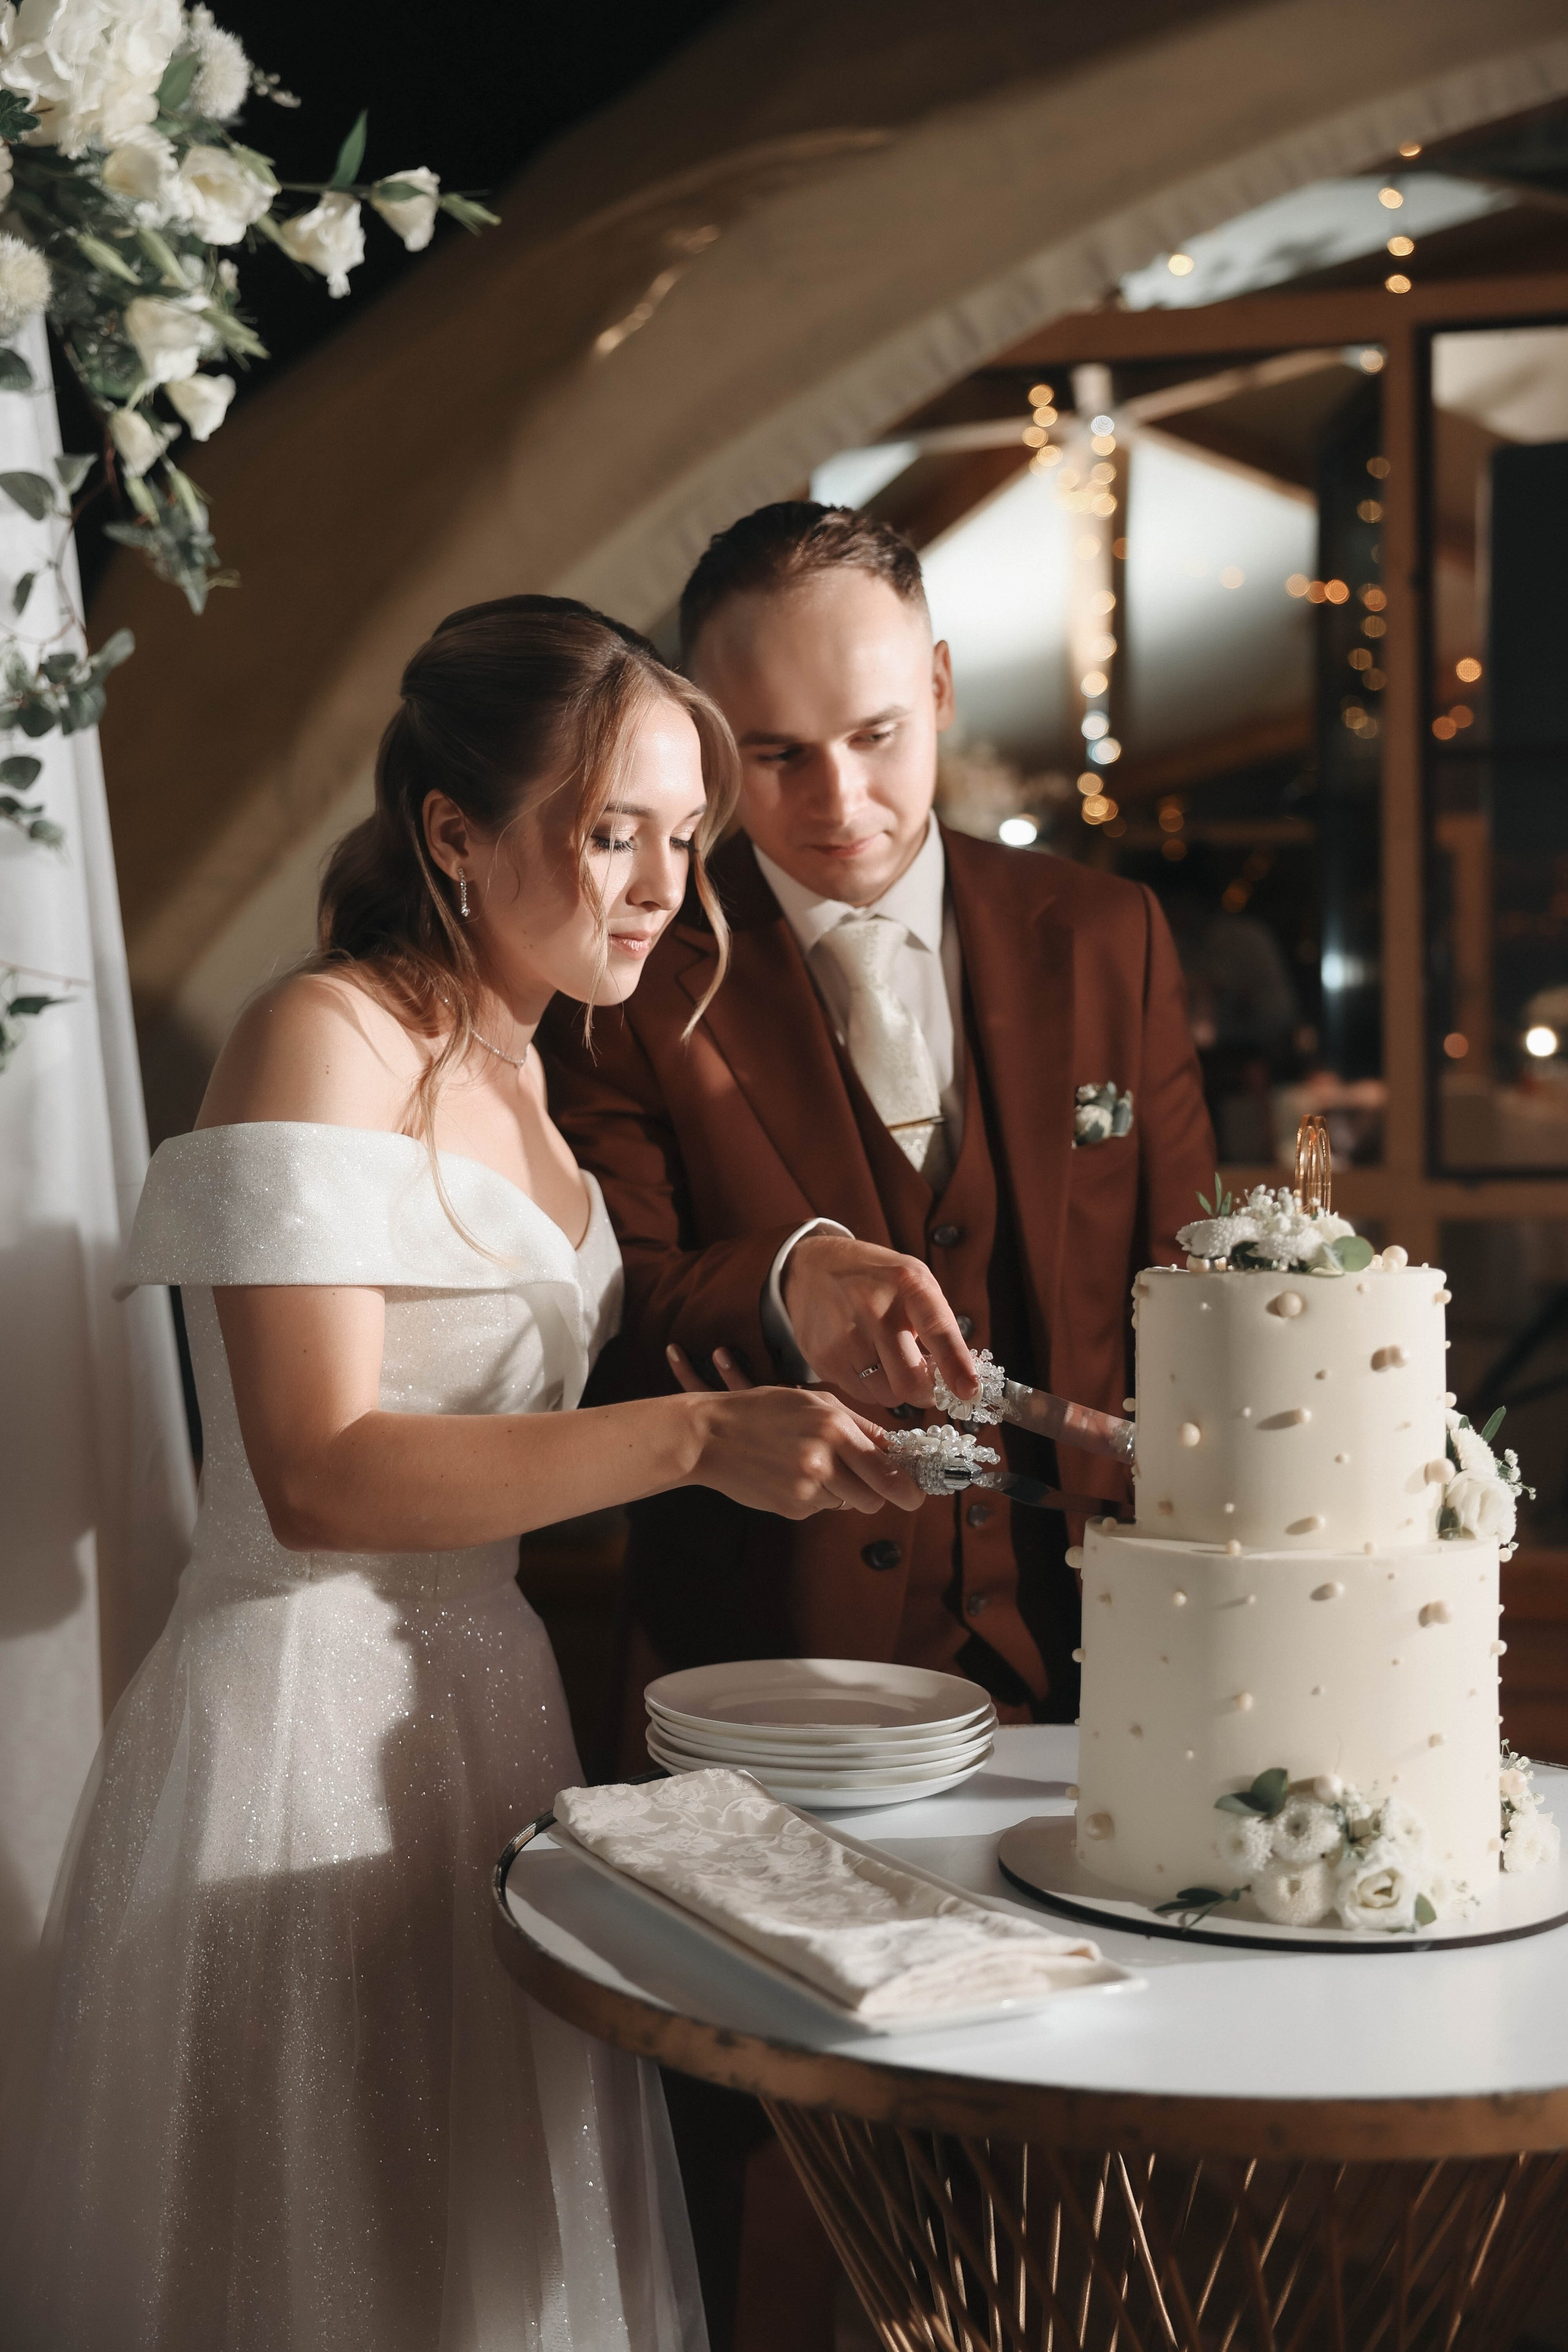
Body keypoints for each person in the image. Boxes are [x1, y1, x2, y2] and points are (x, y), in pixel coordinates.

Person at [0, 595, 918, 2352]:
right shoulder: (322, 1038)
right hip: (294, 1723)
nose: (662, 886)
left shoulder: (534, 1071)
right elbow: (320, 1473)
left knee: (490, 2253)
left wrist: (809, 1319)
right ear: (452, 831)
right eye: (612, 833)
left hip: (489, 1710)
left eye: (682, 838)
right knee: (307, 2251)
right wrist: (698, 1443)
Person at [539, 505, 1216, 2351]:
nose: (835, 798)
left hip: (1088, 1678)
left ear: (935, 687)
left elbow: (1190, 1282)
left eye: (874, 734)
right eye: (770, 756)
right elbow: (612, 1311)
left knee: (1076, 2179)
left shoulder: (1106, 932)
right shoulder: (629, 975)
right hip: (768, 1684)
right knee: (772, 2198)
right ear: (701, 741)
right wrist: (799, 1274)